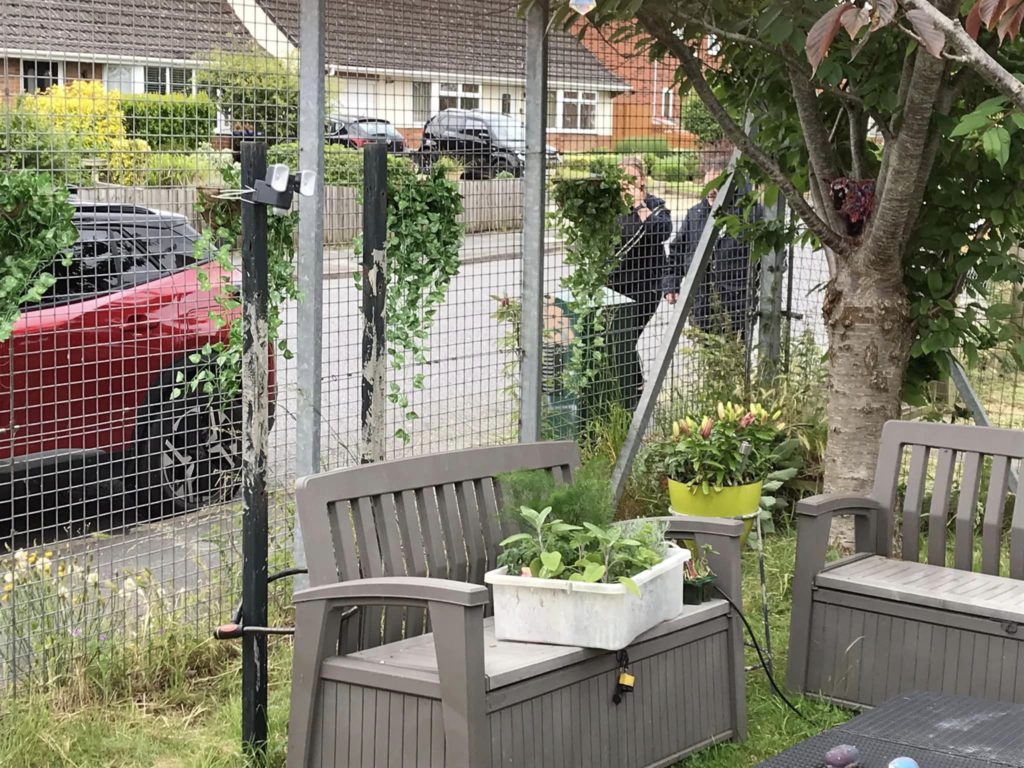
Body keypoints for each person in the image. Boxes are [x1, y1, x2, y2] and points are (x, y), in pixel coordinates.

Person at [604, 156, 674, 411]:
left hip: (645, 286)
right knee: (613, 338)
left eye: (631, 178)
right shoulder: (612, 207)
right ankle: (627, 388)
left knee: (625, 336)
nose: (625, 184)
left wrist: (638, 204)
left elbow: (661, 232)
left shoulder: (655, 206)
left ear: (642, 180)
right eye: (621, 179)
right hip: (616, 286)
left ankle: (634, 392)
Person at [665, 168, 761, 338]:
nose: (711, 191)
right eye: (707, 185)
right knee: (704, 351)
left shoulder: (751, 214)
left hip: (736, 304)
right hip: (701, 303)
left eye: (717, 185)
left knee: (734, 353)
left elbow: (766, 260)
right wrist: (671, 285)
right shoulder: (695, 214)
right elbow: (677, 252)